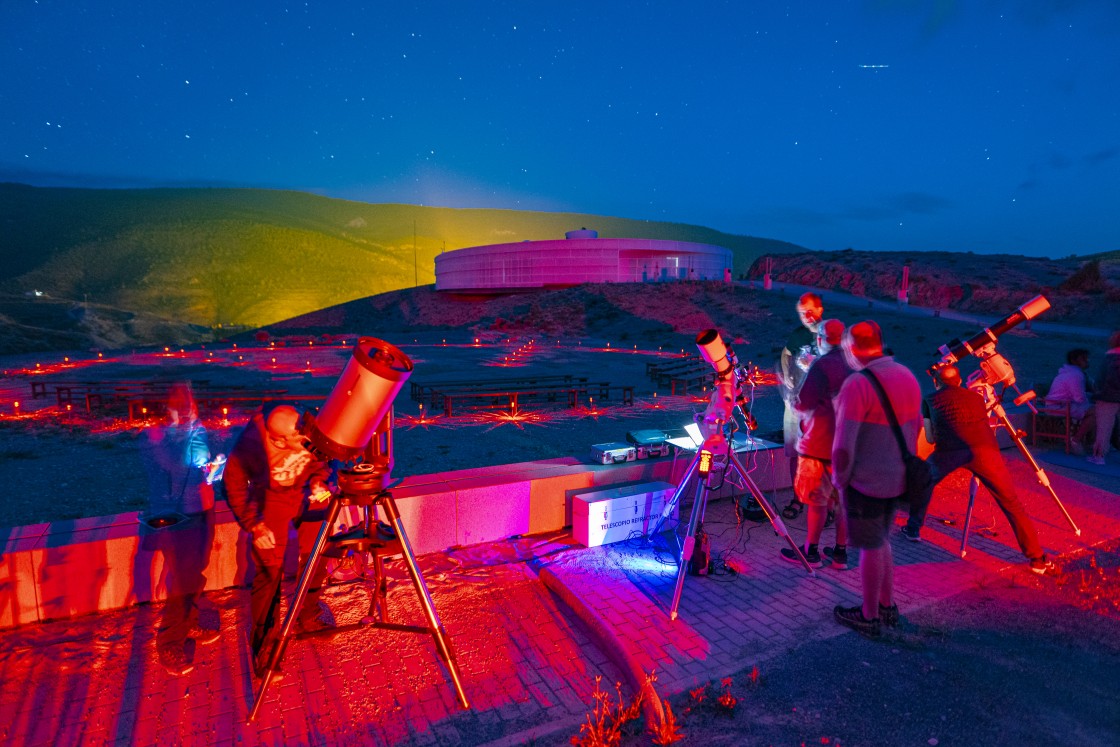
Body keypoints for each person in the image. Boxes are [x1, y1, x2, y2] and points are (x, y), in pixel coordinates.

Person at [902, 364, 1054, 574]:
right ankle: (1037, 558)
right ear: (960, 381)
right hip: (986, 452)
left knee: (923, 481)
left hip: (950, 451)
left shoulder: (929, 399)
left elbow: (929, 437)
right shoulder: (976, 398)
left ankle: (913, 528)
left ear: (937, 382)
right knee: (1011, 503)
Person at [224, 403, 334, 679]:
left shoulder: (303, 426)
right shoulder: (251, 444)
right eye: (295, 440)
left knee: (318, 553)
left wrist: (319, 481)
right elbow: (233, 486)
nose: (302, 441)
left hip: (306, 493)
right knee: (269, 571)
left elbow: (323, 459)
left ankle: (307, 615)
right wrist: (255, 525)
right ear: (277, 439)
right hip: (272, 499)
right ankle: (265, 650)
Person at [831, 321, 922, 637]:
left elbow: (844, 443)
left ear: (853, 348)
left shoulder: (858, 384)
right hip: (897, 478)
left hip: (866, 482)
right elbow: (917, 429)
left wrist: (839, 481)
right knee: (882, 539)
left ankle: (869, 616)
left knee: (870, 545)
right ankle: (887, 605)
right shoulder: (907, 376)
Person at [138, 382, 221, 676]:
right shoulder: (156, 437)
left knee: (196, 572)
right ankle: (169, 641)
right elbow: (169, 469)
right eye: (179, 404)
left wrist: (213, 470)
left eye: (190, 402)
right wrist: (182, 434)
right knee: (183, 581)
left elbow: (202, 469)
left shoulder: (198, 431)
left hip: (204, 508)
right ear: (167, 408)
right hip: (177, 517)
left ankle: (191, 621)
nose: (187, 409)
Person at [780, 318, 851, 569]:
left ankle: (811, 551)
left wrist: (793, 398)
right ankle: (841, 553)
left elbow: (803, 403)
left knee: (817, 500)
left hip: (821, 445)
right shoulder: (855, 363)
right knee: (843, 501)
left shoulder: (822, 365)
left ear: (820, 339)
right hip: (849, 445)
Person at [779, 292, 824, 519]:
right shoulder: (799, 335)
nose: (805, 316)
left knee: (822, 457)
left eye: (809, 310)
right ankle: (797, 497)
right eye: (801, 312)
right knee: (796, 453)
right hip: (796, 404)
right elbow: (786, 353)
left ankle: (824, 504)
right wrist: (787, 376)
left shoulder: (831, 335)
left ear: (820, 310)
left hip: (821, 409)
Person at [1046, 348, 1095, 454]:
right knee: (1096, 413)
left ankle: (1089, 441)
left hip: (1058, 404)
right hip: (1059, 406)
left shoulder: (1070, 372)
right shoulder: (1076, 375)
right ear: (1074, 360)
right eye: (1083, 359)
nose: (1087, 361)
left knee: (1096, 410)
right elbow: (1079, 398)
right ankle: (1076, 439)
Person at [1090, 330, 1120, 465]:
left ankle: (1099, 455)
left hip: (1107, 397)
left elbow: (1106, 380)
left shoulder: (1111, 359)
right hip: (1112, 396)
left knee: (1104, 428)